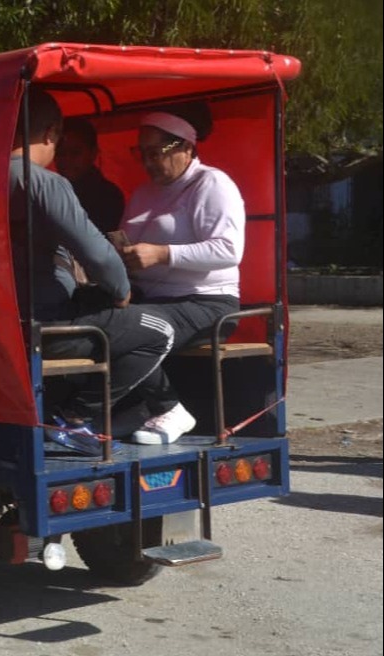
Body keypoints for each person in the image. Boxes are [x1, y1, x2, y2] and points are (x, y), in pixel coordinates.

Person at [9, 88, 177, 439]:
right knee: (160, 330)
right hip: (47, 324)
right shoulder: (44, 182)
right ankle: (76, 419)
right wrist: (121, 290)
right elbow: (98, 253)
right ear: (51, 133)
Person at [118, 104, 245, 444]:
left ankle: (169, 407)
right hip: (151, 298)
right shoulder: (143, 193)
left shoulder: (211, 184)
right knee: (93, 320)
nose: (147, 162)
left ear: (186, 148)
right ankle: (131, 409)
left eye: (155, 153)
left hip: (206, 302)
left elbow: (228, 250)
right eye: (141, 153)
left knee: (126, 328)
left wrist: (161, 254)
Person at [56, 117, 126, 234]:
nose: (67, 160)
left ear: (93, 153)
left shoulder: (109, 196)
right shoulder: (51, 191)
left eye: (75, 153)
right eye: (60, 153)